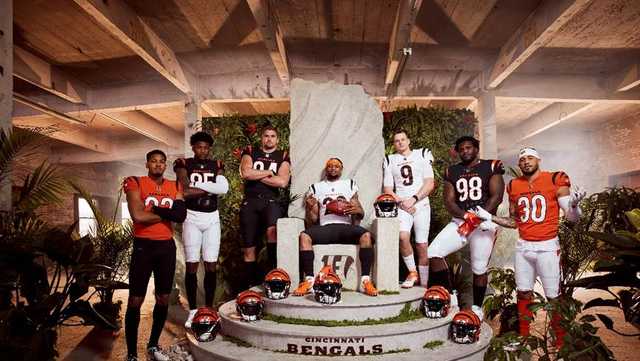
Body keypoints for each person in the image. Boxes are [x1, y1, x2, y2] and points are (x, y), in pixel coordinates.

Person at [472, 147, 585, 348]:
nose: (526, 162)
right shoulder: (514, 185)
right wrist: (490, 217)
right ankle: (524, 337)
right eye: (522, 159)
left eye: (530, 158)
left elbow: (572, 218)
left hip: (547, 246)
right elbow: (514, 221)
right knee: (523, 293)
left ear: (538, 160)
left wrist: (574, 207)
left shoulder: (554, 179)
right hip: (524, 246)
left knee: (553, 296)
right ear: (519, 164)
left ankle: (559, 342)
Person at [427, 136, 505, 320]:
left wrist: (479, 216)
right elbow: (449, 201)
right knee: (433, 252)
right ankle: (450, 295)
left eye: (468, 148)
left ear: (476, 149)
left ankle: (477, 307)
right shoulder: (452, 171)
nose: (465, 151)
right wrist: (465, 216)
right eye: (461, 149)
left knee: (479, 268)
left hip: (484, 222)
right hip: (461, 222)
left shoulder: (491, 166)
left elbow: (497, 196)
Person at [123, 150, 186, 361]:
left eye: (161, 162)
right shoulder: (135, 182)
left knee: (163, 298)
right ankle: (131, 353)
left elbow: (180, 216)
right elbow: (138, 215)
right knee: (135, 300)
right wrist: (167, 212)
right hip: (143, 247)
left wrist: (153, 208)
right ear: (147, 164)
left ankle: (152, 345)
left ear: (165, 165)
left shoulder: (174, 185)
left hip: (166, 247)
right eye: (154, 161)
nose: (158, 165)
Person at [293, 158, 378, 297]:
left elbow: (360, 214)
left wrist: (357, 211)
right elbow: (313, 220)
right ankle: (309, 280)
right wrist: (309, 208)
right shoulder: (316, 187)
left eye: (336, 166)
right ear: (326, 169)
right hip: (326, 227)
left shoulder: (349, 185)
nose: (333, 168)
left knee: (366, 236)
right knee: (304, 236)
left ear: (341, 169)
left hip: (345, 227)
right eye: (330, 166)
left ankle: (365, 281)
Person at [173, 131, 228, 328]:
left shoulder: (217, 165)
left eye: (206, 147)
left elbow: (224, 188)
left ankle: (209, 308)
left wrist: (199, 186)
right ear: (193, 148)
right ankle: (193, 311)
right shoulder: (183, 163)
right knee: (192, 264)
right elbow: (185, 191)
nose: (202, 150)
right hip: (192, 217)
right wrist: (211, 187)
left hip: (212, 217)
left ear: (209, 149)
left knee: (211, 264)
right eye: (199, 147)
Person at [239, 126, 291, 290]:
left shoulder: (283, 155)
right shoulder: (250, 151)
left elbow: (282, 182)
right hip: (251, 201)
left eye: (273, 136)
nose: (269, 139)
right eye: (266, 136)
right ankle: (251, 286)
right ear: (262, 138)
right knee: (249, 246)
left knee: (272, 233)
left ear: (277, 139)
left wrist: (257, 174)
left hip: (271, 201)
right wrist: (269, 172)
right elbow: (246, 173)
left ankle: (274, 278)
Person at [383, 129, 435, 288]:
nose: (400, 142)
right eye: (397, 141)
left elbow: (429, 183)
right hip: (402, 205)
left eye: (403, 139)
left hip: (421, 204)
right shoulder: (390, 159)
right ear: (394, 144)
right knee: (402, 236)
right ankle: (413, 272)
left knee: (421, 244)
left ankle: (424, 285)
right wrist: (402, 202)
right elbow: (387, 188)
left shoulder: (422, 154)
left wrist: (413, 200)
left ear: (409, 140)